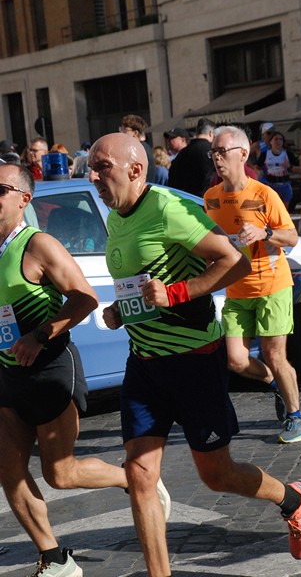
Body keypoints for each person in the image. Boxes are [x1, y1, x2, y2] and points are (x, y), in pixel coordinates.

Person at [87, 132, 301, 577]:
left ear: (136, 170)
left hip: (195, 360)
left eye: (102, 167)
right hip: (145, 363)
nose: (93, 175)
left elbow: (233, 260)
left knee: (217, 474)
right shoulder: (117, 215)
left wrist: (176, 293)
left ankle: (293, 499)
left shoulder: (170, 209)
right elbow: (139, 282)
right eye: (91, 168)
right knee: (139, 476)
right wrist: (121, 310)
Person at [0, 162, 170, 577]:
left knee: (60, 473)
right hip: (7, 374)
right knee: (8, 470)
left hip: (49, 368)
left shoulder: (38, 245)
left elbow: (85, 299)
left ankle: (132, 479)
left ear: (23, 199)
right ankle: (55, 558)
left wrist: (39, 335)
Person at [204, 125, 301, 444]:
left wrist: (265, 233)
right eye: (213, 153)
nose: (216, 158)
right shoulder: (211, 198)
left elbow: (291, 237)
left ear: (243, 154)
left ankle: (297, 417)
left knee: (274, 355)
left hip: (272, 285)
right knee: (236, 359)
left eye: (221, 152)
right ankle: (276, 385)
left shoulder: (265, 194)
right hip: (236, 289)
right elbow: (212, 241)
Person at [168, 117, 216, 196]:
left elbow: (173, 180)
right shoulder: (212, 151)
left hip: (184, 199)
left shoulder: (182, 153)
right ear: (211, 133)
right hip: (206, 199)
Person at [256, 131, 298, 209]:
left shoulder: (288, 154)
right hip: (271, 185)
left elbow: (300, 169)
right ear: (270, 142)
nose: (278, 141)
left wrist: (289, 167)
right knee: (272, 209)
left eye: (280, 139)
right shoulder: (265, 154)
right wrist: (258, 172)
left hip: (285, 185)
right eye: (276, 139)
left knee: (284, 210)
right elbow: (256, 166)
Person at [119, 114, 156, 182]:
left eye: (124, 130)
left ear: (135, 133)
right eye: (120, 129)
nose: (121, 132)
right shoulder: (143, 147)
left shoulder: (139, 149)